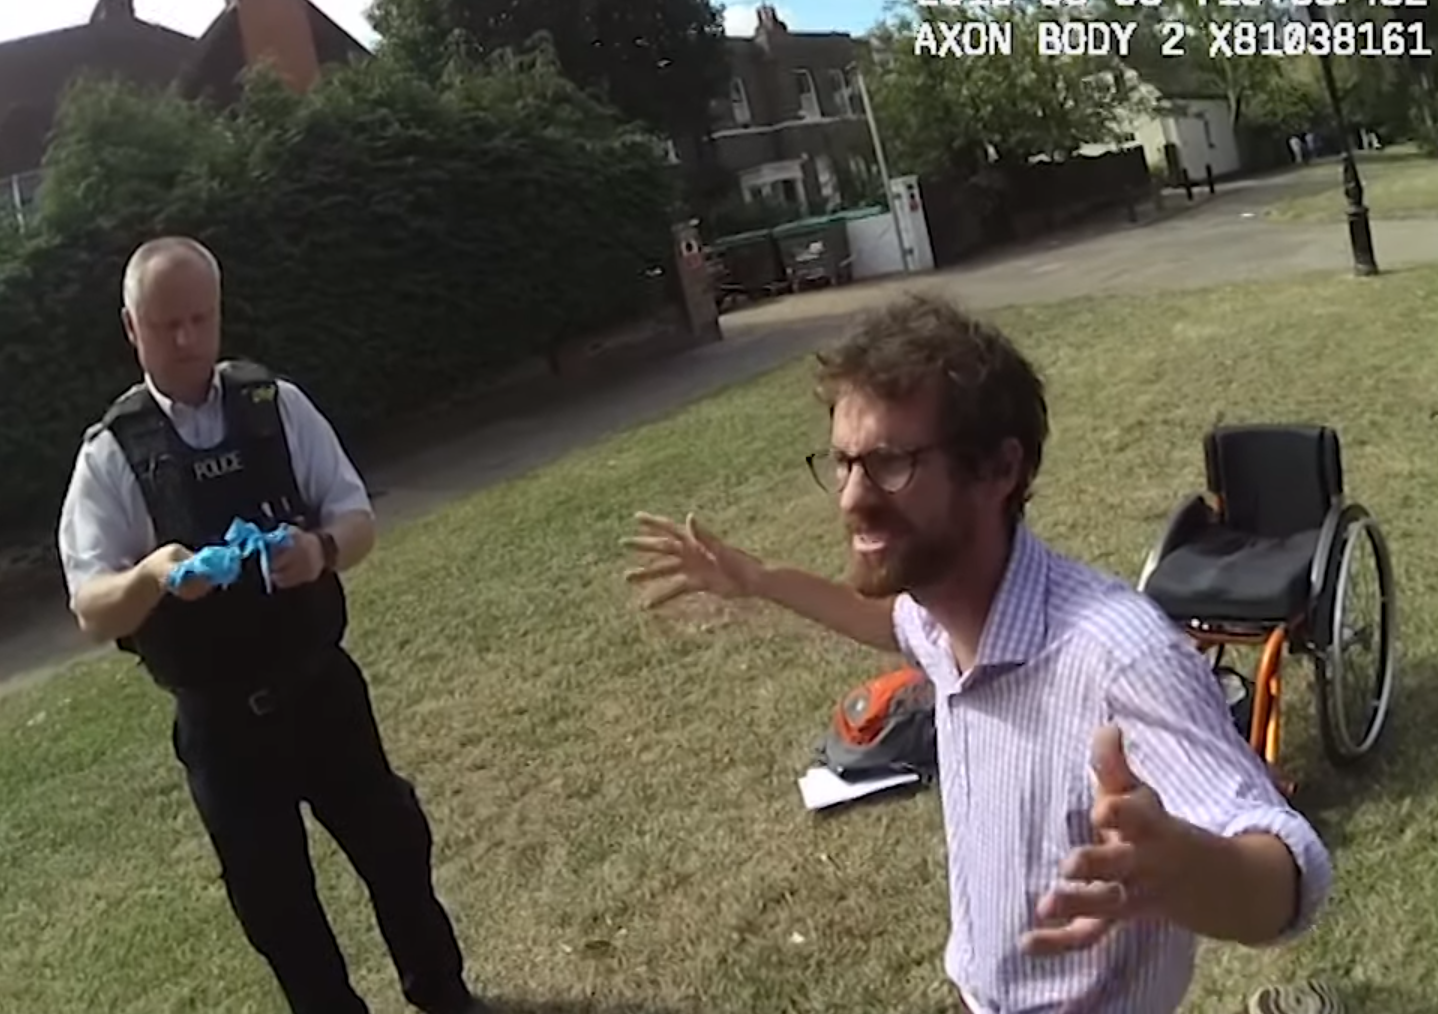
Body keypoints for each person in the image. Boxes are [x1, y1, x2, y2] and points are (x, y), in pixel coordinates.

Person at [622, 295, 1338, 1014]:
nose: (851, 498)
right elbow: (885, 620)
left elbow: (1287, 870)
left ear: (999, 469)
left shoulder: (1117, 659)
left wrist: (1188, 867)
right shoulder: (942, 616)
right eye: (842, 463)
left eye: (890, 463)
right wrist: (758, 579)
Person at [57, 237, 487, 1014]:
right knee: (274, 898)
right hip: (221, 723)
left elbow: (356, 518)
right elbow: (91, 605)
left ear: (220, 313)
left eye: (199, 318)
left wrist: (318, 549)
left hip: (320, 687)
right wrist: (154, 575)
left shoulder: (277, 407)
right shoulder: (113, 456)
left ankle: (444, 993)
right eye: (165, 324)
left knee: (393, 846)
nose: (186, 340)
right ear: (131, 326)